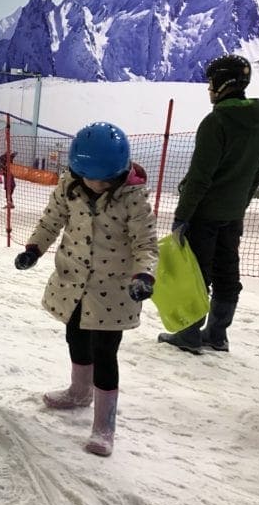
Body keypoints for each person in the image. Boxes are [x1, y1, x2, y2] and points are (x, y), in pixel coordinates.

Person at [14, 122, 157, 456]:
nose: (96, 185)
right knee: (75, 336)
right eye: (89, 177)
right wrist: (34, 249)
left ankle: (104, 425)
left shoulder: (133, 199)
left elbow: (146, 244)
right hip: (73, 281)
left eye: (104, 179)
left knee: (105, 353)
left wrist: (144, 276)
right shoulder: (70, 186)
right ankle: (79, 391)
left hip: (115, 290)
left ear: (119, 172)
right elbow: (51, 220)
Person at [158, 54, 259, 355]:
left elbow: (199, 178)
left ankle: (189, 333)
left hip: (205, 214)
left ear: (222, 83)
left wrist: (182, 216)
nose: (209, 88)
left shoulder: (215, 122)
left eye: (211, 82)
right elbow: (256, 174)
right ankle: (218, 334)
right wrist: (238, 205)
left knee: (197, 273)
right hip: (233, 214)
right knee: (227, 272)